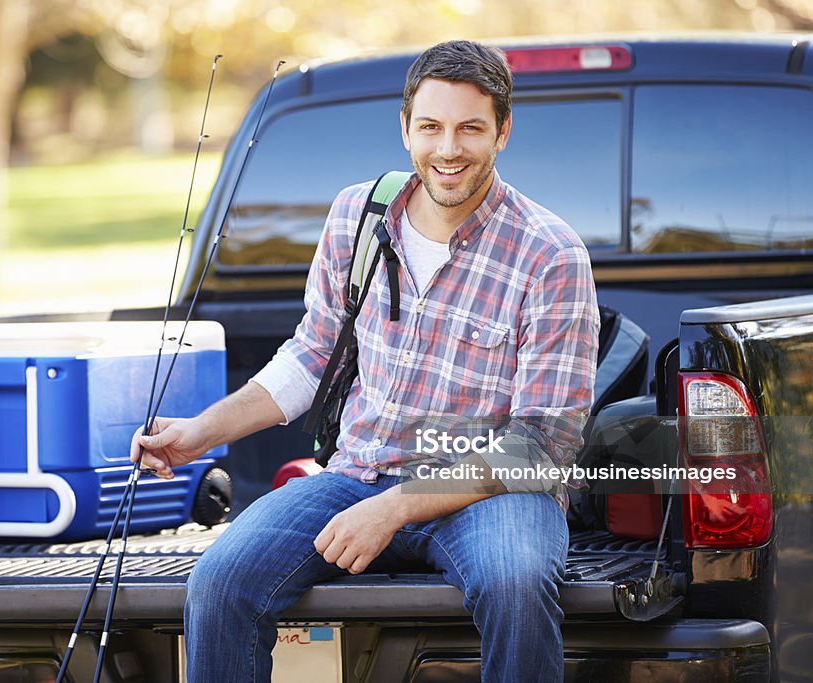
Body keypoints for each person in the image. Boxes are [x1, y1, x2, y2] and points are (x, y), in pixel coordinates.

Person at [130, 40, 599, 683]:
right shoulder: (357, 214)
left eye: (471, 128)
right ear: (405, 128)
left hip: (489, 495)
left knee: (516, 584)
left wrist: (398, 507)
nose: (449, 148)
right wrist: (198, 435)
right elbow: (313, 355)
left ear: (503, 132)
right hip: (357, 474)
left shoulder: (550, 254)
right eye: (431, 127)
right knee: (220, 581)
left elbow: (540, 447)